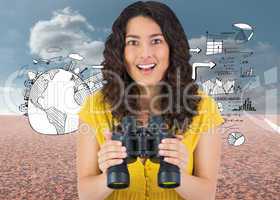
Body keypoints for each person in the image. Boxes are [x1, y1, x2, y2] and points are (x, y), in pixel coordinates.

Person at [77, 1, 224, 200]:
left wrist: (178, 172)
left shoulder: (203, 106)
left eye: (156, 41)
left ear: (172, 47)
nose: (145, 54)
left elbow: (206, 195)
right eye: (133, 42)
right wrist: (109, 173)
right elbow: (86, 195)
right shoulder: (95, 106)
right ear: (120, 50)